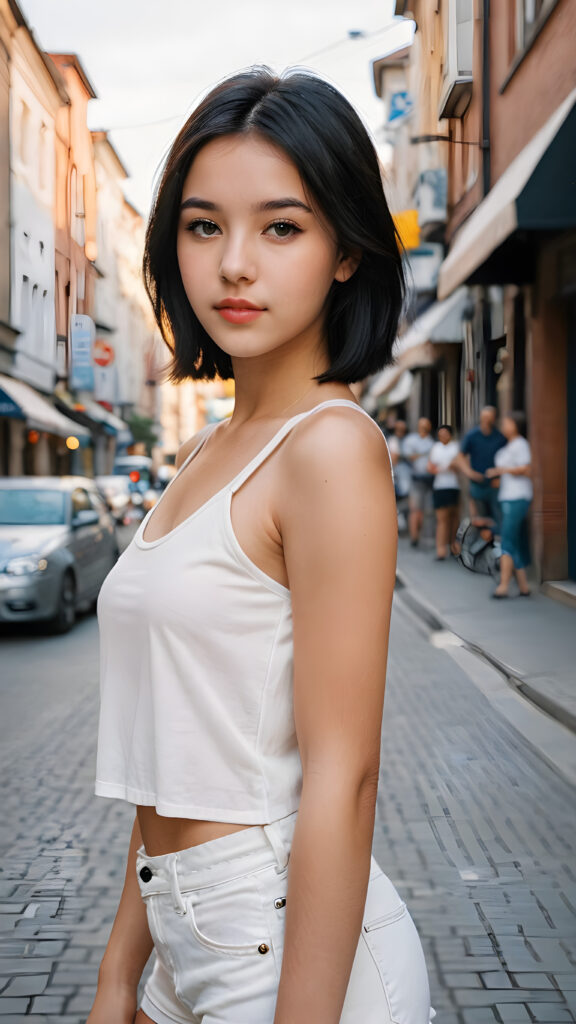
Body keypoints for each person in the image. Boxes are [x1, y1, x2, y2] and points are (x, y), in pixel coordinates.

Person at [88, 68, 435, 1024]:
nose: (234, 264)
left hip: (287, 951)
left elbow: (344, 776)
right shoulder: (207, 449)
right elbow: (174, 751)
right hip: (180, 931)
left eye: (280, 226)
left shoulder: (329, 449)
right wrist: (120, 975)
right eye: (205, 226)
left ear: (347, 252)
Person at [485, 411, 532, 598]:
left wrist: (500, 470)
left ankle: (504, 585)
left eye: (507, 423)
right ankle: (524, 586)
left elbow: (526, 469)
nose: (503, 426)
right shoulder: (509, 446)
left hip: (518, 497)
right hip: (507, 496)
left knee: (507, 539)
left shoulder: (521, 444)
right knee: (514, 542)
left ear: (516, 425)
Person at [455, 406, 506, 524]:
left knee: (497, 519)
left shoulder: (500, 437)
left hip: (494, 485)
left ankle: (495, 542)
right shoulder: (472, 436)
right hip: (477, 484)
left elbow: (508, 458)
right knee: (479, 520)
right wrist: (470, 473)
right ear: (480, 418)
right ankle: (481, 542)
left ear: (494, 418)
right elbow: (460, 456)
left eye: (489, 417)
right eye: (484, 417)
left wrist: (501, 477)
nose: (487, 420)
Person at [427, 424, 461, 560]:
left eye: (445, 433)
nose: (443, 436)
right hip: (440, 486)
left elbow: (458, 465)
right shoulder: (436, 448)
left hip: (454, 485)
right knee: (442, 519)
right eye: (440, 434)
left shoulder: (456, 447)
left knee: (453, 518)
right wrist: (446, 467)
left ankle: (453, 545)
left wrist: (445, 467)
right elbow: (430, 467)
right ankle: (440, 549)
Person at [404, 417, 434, 547]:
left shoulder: (431, 442)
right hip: (416, 478)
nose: (424, 428)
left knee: (424, 511)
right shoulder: (411, 440)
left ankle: (419, 534)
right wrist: (423, 454)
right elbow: (409, 456)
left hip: (429, 479)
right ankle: (414, 537)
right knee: (415, 509)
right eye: (422, 425)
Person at [388, 419, 411, 533]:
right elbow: (394, 459)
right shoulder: (393, 440)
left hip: (408, 475)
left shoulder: (408, 440)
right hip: (398, 475)